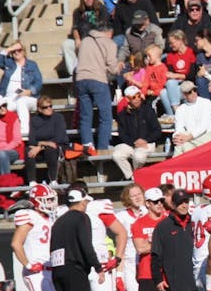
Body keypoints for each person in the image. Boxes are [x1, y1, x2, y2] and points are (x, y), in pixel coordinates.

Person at [74, 26, 121, 155]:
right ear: (109, 32)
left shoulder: (85, 40)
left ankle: (88, 147)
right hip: (98, 80)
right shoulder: (109, 43)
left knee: (85, 117)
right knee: (105, 117)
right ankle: (102, 148)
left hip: (81, 80)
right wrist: (119, 67)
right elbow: (112, 68)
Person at [112, 85, 162, 180]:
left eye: (139, 95)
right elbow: (122, 134)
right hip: (131, 144)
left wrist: (145, 140)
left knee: (138, 157)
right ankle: (131, 177)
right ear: (127, 99)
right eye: (134, 97)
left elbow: (157, 130)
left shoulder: (148, 110)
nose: (137, 99)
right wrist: (134, 143)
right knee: (117, 155)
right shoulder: (122, 114)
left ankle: (136, 176)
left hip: (147, 143)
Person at [24, 96, 67, 184]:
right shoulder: (34, 120)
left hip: (56, 148)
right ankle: (32, 182)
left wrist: (40, 146)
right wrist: (42, 144)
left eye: (50, 106)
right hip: (39, 149)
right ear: (39, 109)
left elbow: (58, 138)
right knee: (28, 150)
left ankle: (53, 180)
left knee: (50, 150)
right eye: (45, 107)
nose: (49, 108)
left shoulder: (58, 117)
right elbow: (31, 140)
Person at [171, 80, 211, 154]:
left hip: (207, 134)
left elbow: (203, 126)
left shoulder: (206, 102)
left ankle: (173, 164)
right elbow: (178, 127)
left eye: (194, 90)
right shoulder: (180, 109)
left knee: (181, 146)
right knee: (184, 146)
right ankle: (175, 164)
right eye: (189, 92)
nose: (193, 93)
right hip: (189, 137)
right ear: (184, 95)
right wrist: (177, 137)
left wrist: (188, 137)